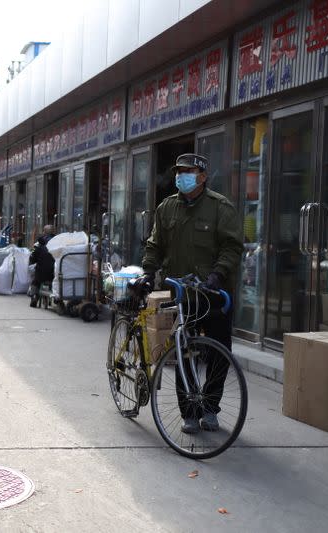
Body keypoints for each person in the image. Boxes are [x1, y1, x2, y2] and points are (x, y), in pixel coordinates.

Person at [139, 153, 243, 435]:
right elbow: (155, 243)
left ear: (202, 176)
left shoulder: (220, 207)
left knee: (218, 354)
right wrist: (148, 271)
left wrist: (218, 274)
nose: (180, 176)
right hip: (182, 294)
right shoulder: (167, 208)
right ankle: (189, 412)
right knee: (182, 352)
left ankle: (210, 407)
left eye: (187, 171)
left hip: (213, 293)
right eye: (178, 171)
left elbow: (233, 246)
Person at [29, 225, 56, 308]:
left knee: (35, 281)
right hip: (54, 273)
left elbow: (33, 259)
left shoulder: (39, 244)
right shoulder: (57, 242)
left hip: (41, 274)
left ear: (44, 232)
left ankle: (34, 297)